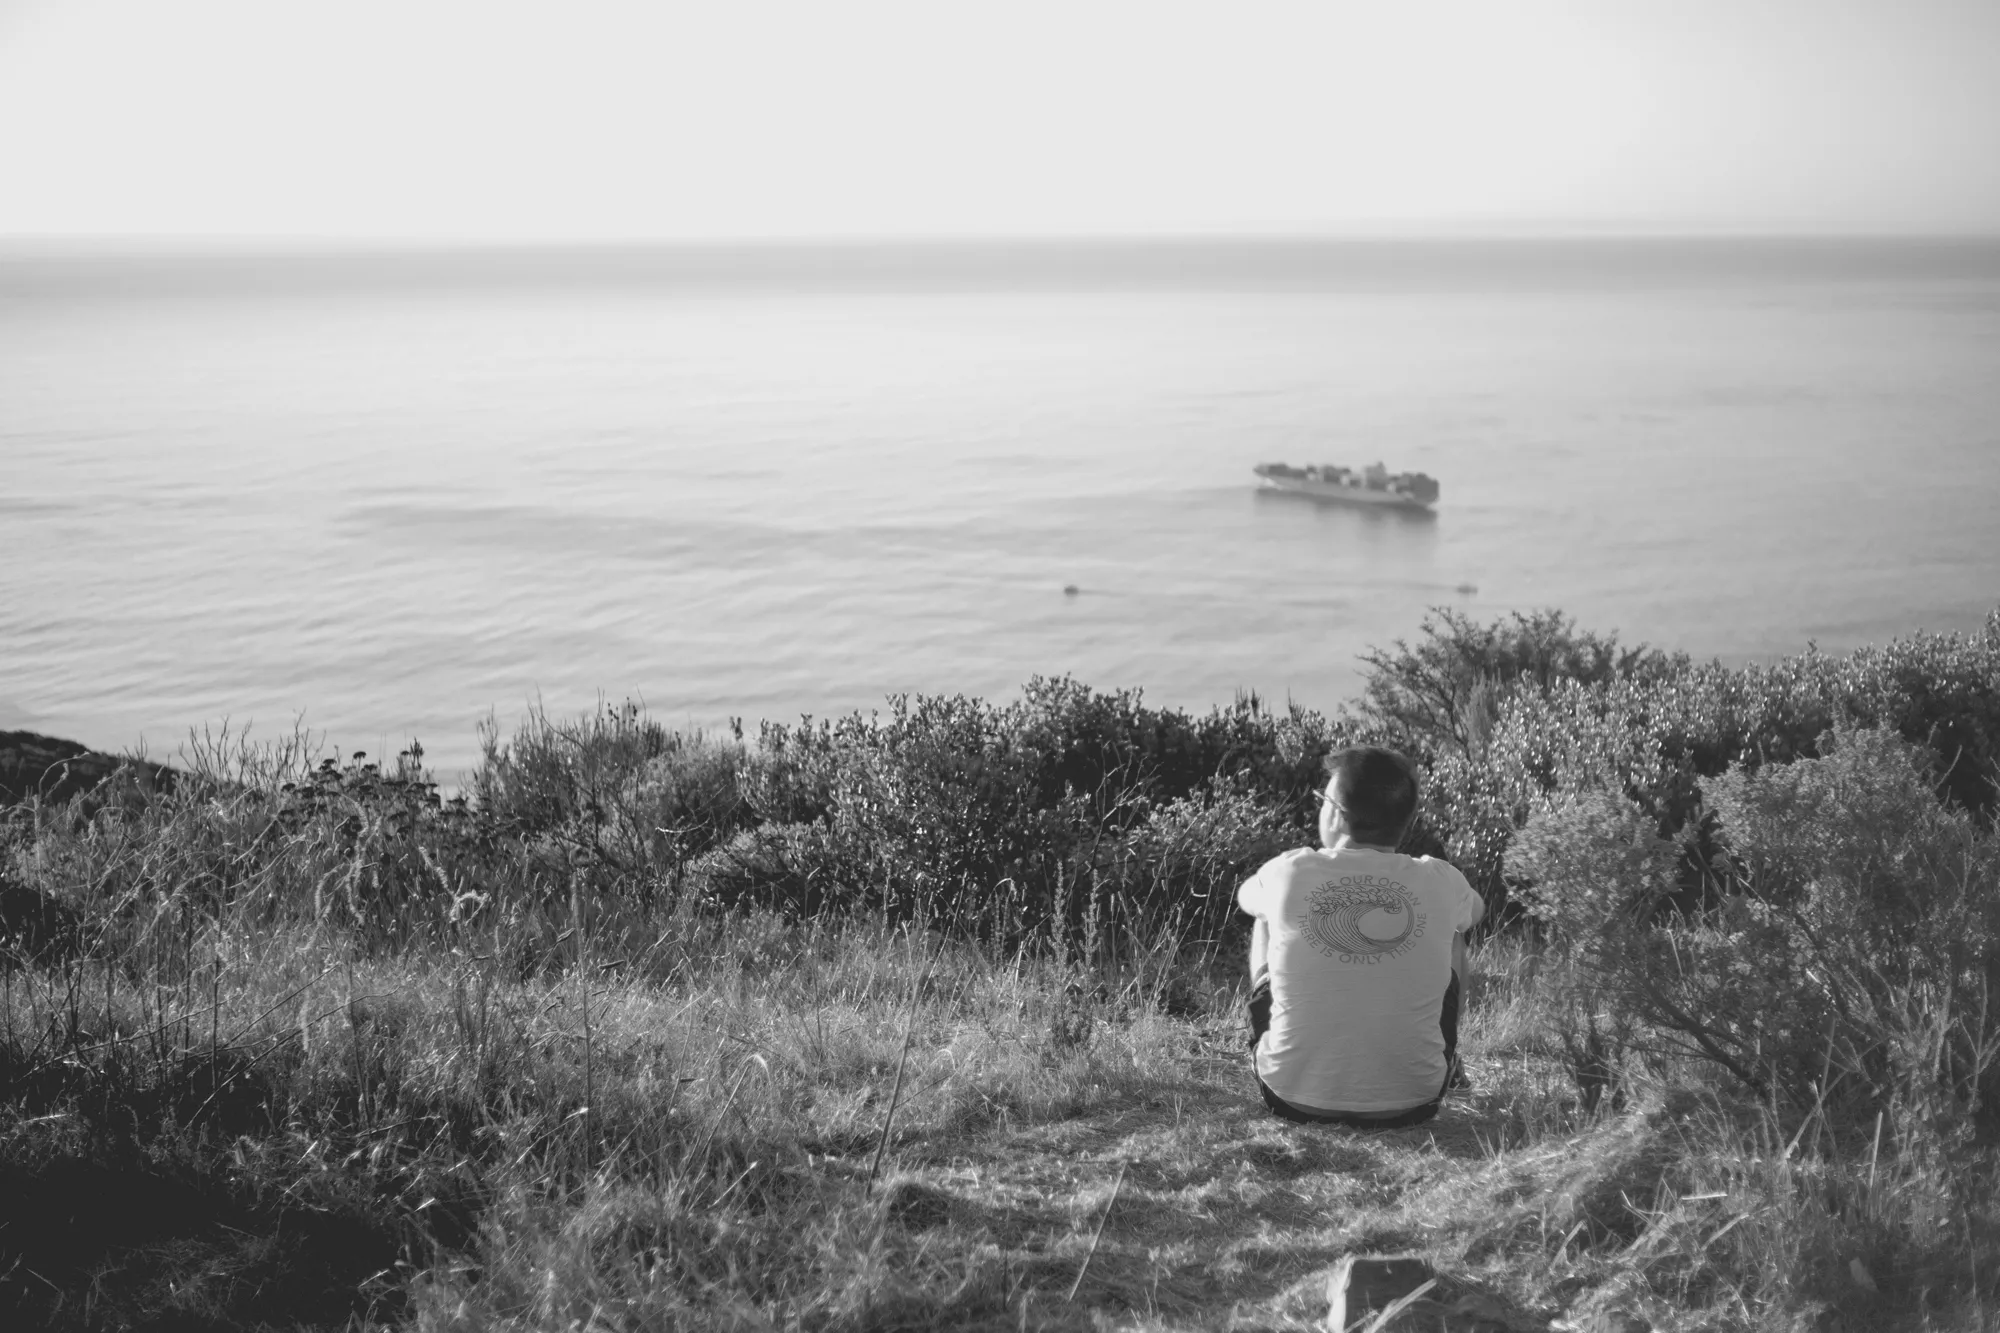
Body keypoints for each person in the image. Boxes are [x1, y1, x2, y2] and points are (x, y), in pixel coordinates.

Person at [1237, 746, 1483, 1126]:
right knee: (1455, 927)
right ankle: (1450, 1061)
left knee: (1266, 917)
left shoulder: (1290, 869)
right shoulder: (1441, 879)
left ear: (1335, 812)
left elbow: (1246, 898)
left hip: (1290, 1097)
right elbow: (1477, 911)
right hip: (1415, 1101)